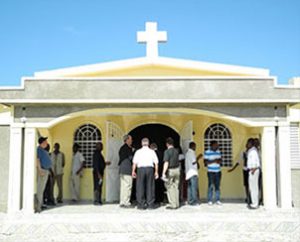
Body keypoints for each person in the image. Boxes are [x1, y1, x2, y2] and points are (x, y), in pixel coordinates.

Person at [132, 138, 159, 209]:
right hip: (150, 169)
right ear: (148, 143)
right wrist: (156, 172)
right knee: (150, 186)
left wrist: (133, 171)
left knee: (140, 186)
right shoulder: (152, 151)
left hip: (140, 169)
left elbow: (134, 163)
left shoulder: (138, 152)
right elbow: (156, 163)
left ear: (141, 143)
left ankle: (141, 204)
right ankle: (150, 204)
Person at [162, 137, 180, 209]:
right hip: (177, 170)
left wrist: (163, 173)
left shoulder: (167, 152)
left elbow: (166, 162)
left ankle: (173, 204)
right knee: (176, 187)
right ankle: (177, 203)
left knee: (169, 187)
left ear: (167, 144)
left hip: (170, 170)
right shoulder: (176, 151)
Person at [36, 136, 52, 213]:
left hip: (46, 171)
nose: (47, 143)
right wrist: (40, 170)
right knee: (40, 189)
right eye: (46, 141)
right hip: (42, 170)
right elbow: (38, 160)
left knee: (42, 189)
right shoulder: (39, 149)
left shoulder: (43, 150)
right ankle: (38, 207)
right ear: (42, 143)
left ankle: (41, 204)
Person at [204, 140, 222, 205]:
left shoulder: (218, 152)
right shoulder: (207, 152)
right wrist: (214, 161)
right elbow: (206, 162)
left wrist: (218, 161)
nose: (217, 146)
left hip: (218, 171)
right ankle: (210, 200)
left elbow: (220, 161)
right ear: (212, 145)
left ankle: (217, 200)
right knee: (210, 186)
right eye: (216, 145)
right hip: (210, 172)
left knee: (217, 186)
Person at [118, 134, 134, 208]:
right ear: (127, 140)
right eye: (130, 139)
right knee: (128, 186)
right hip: (127, 169)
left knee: (123, 186)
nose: (131, 141)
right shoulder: (128, 148)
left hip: (122, 169)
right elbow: (131, 158)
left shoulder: (121, 148)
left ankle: (122, 201)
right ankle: (126, 202)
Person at [246, 138, 261, 209]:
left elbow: (256, 163)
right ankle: (253, 202)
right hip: (251, 170)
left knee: (254, 188)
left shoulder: (253, 151)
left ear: (251, 143)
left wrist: (253, 170)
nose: (247, 144)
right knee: (252, 188)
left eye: (248, 143)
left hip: (253, 171)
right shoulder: (251, 151)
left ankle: (255, 204)